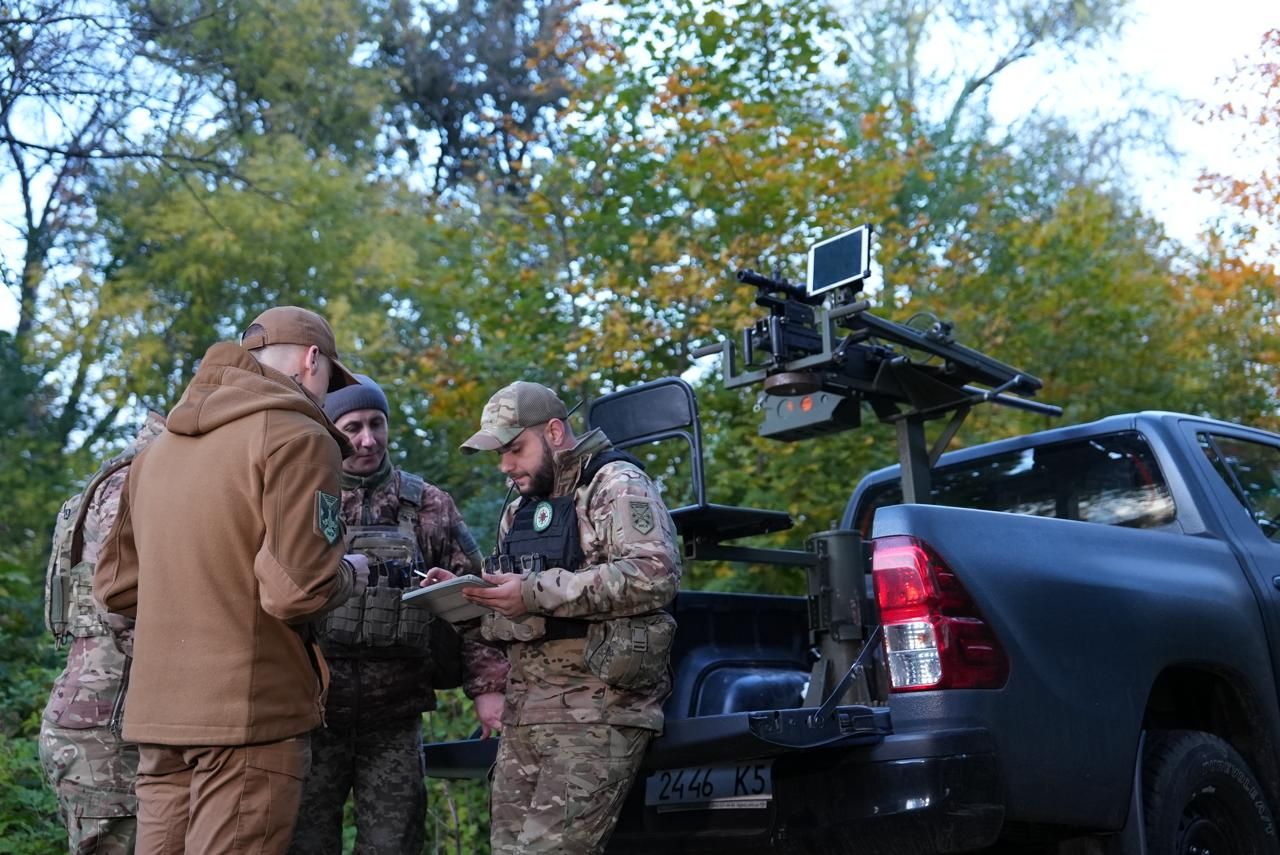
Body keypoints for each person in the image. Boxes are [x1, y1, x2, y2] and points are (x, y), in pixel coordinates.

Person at [93, 305, 371, 855]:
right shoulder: (300, 437)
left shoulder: (155, 454)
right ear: (312, 359)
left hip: (160, 715)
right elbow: (297, 589)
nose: (328, 398)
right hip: (249, 716)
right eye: (330, 381)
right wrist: (350, 574)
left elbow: (117, 587)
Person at [434, 379, 681, 855]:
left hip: (598, 709)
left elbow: (654, 574)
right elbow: (514, 607)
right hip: (527, 713)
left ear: (553, 431)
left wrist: (533, 592)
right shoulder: (520, 509)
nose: (506, 466)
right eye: (499, 454)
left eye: (514, 449)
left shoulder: (615, 484)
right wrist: (465, 596)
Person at [289, 374, 508, 855]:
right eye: (352, 427)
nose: (367, 439)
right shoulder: (300, 499)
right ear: (329, 429)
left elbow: (474, 599)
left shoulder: (429, 504)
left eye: (377, 424)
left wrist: (488, 688)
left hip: (396, 715)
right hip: (314, 712)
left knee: (395, 843)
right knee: (303, 841)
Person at [39, 410, 165, 854]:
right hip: (107, 731)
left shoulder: (127, 474)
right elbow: (118, 602)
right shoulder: (139, 482)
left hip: (102, 718)